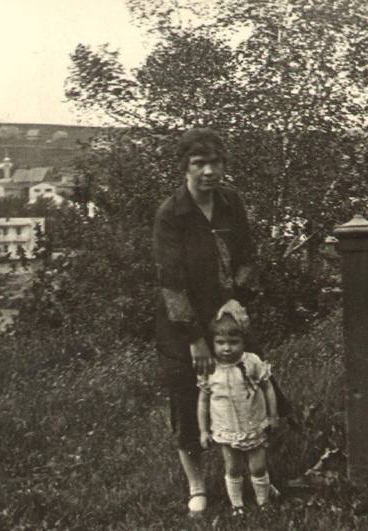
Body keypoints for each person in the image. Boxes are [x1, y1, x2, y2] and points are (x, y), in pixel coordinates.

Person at [153, 128, 257, 516]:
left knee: (244, 389)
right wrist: (194, 338)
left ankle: (250, 472)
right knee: (187, 399)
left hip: (229, 317)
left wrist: (236, 299)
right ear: (185, 167)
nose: (209, 171)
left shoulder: (231, 202)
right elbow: (171, 280)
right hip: (184, 323)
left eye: (216, 162)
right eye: (199, 164)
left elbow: (247, 256)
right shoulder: (171, 213)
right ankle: (197, 485)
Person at [198, 313, 279, 516]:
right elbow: (203, 400)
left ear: (243, 341)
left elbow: (268, 388)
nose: (227, 348)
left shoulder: (251, 362)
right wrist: (203, 430)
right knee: (233, 468)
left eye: (233, 342)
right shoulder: (210, 368)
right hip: (227, 429)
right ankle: (237, 505)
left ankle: (263, 502)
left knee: (258, 467)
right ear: (212, 343)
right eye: (220, 343)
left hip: (253, 425)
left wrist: (273, 416)